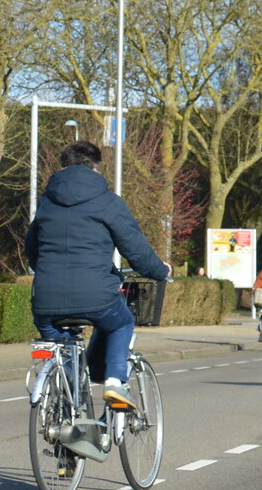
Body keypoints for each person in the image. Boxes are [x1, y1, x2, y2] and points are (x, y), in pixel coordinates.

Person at [24, 140, 171, 413]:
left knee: (61, 345)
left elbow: (32, 250)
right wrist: (160, 271)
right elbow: (135, 250)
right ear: (95, 168)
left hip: (45, 301)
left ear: (64, 166)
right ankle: (115, 381)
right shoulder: (108, 202)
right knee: (120, 323)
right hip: (97, 297)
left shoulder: (46, 202)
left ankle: (66, 409)